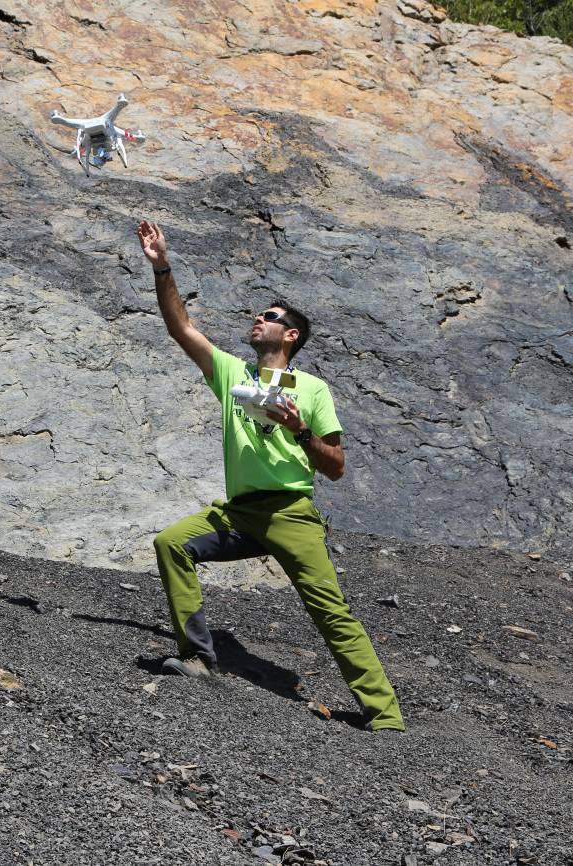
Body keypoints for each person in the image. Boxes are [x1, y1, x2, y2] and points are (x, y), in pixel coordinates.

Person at [135, 219, 405, 733]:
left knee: (331, 613)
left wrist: (301, 430)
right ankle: (197, 658)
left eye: (270, 316)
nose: (258, 319)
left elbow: (337, 466)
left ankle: (385, 716)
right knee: (172, 543)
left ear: (291, 334)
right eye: (259, 314)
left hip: (290, 514)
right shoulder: (233, 374)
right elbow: (181, 327)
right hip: (238, 513)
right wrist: (162, 266)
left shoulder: (312, 389)